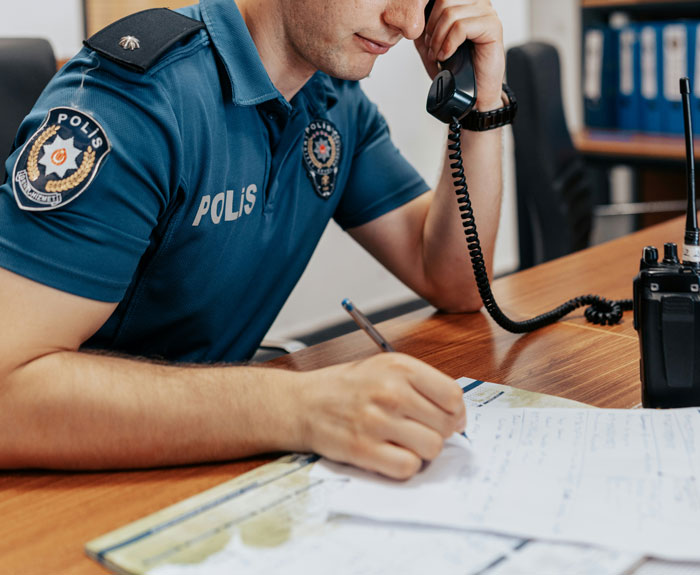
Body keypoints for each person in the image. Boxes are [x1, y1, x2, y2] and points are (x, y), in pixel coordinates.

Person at [0, 0, 506, 479]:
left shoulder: (333, 99)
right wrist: (300, 405)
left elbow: (454, 280)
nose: (410, 24)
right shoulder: (136, 99)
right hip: (64, 489)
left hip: (211, 462)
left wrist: (479, 107)